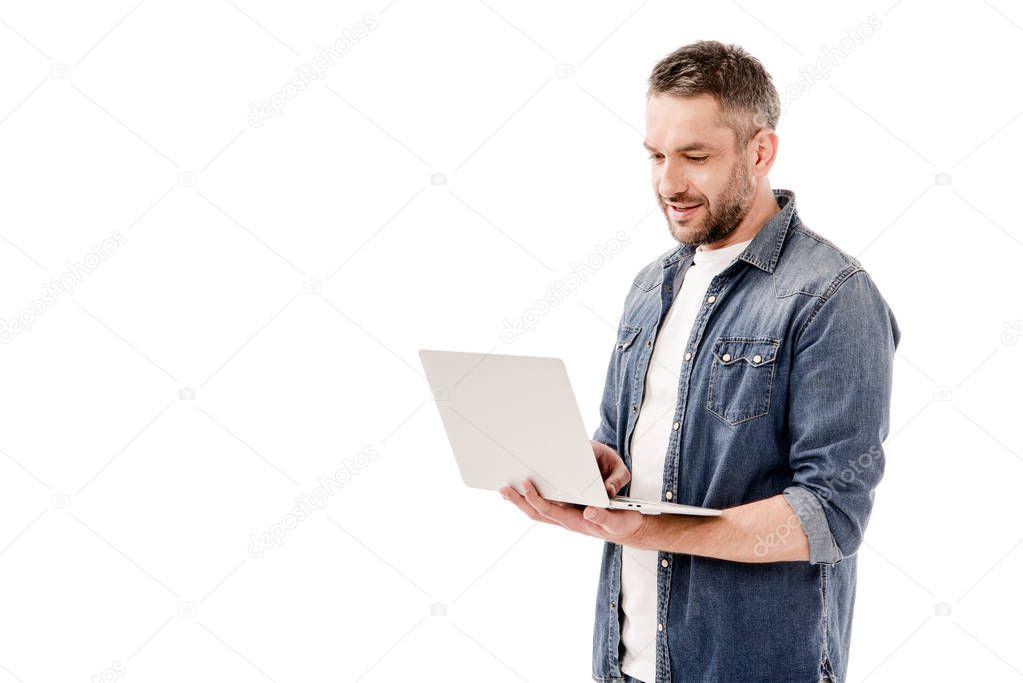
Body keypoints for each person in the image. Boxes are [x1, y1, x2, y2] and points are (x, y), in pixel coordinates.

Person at [499, 40, 900, 683]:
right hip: (626, 664)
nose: (669, 183)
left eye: (696, 156)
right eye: (656, 156)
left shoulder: (832, 296)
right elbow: (630, 449)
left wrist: (646, 530)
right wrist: (590, 478)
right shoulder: (649, 287)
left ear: (760, 151)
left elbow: (832, 514)